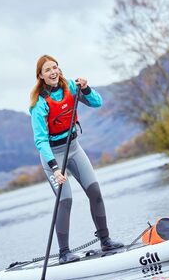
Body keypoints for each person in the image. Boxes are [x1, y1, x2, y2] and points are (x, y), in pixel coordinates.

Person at [30, 55, 124, 264]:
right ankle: (64, 253)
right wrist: (55, 168)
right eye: (47, 70)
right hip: (53, 156)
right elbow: (40, 141)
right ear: (40, 76)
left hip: (74, 148)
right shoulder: (39, 105)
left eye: (55, 67)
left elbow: (97, 103)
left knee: (95, 192)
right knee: (65, 200)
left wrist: (87, 88)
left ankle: (105, 240)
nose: (53, 72)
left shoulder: (72, 87)